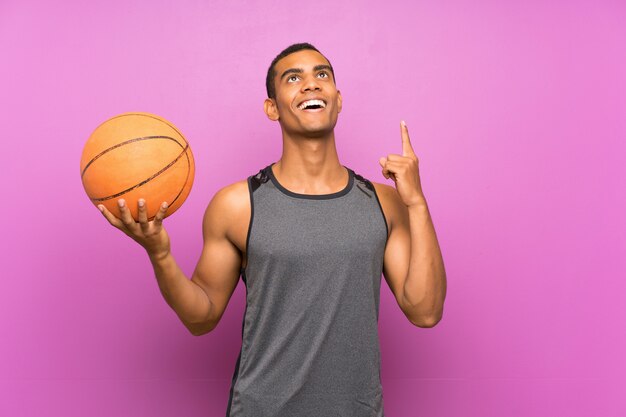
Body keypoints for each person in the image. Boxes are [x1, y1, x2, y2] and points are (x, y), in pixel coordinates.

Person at [98, 42, 447, 417]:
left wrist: (416, 202)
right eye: (293, 78)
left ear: (338, 99)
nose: (311, 84)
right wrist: (160, 254)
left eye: (322, 75)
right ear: (272, 107)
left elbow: (425, 311)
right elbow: (202, 318)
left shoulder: (383, 202)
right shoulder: (237, 205)